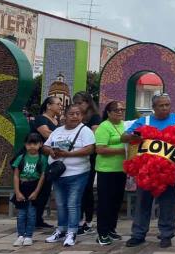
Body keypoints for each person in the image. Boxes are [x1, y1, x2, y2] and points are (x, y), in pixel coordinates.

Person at [122, 93, 175, 248]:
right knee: (142, 204)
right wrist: (134, 137)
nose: (165, 108)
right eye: (161, 105)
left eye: (167, 105)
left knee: (167, 205)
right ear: (153, 108)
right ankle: (138, 235)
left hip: (169, 172)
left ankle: (166, 235)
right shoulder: (143, 121)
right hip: (146, 172)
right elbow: (124, 137)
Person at [42, 104, 96, 247]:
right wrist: (51, 152)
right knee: (60, 204)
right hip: (58, 174)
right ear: (65, 115)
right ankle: (61, 229)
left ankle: (72, 232)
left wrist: (69, 154)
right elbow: (45, 146)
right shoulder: (58, 131)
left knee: (73, 203)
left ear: (82, 116)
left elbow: (90, 149)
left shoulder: (85, 131)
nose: (75, 116)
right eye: (71, 114)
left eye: (78, 114)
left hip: (77, 173)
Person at [93, 101, 128, 246]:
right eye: (116, 110)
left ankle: (111, 229)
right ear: (108, 112)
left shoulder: (124, 125)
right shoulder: (104, 126)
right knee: (105, 203)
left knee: (116, 202)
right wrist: (123, 150)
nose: (120, 112)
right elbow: (100, 149)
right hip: (106, 171)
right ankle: (102, 233)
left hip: (121, 170)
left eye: (121, 109)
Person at [72, 92, 101, 237]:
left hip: (89, 157)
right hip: (75, 158)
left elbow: (93, 135)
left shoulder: (94, 117)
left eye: (80, 103)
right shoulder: (76, 117)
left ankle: (88, 221)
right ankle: (76, 220)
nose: (77, 106)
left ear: (87, 103)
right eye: (75, 103)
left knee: (86, 189)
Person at [11, 133, 47, 247]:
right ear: (25, 145)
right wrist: (17, 192)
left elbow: (42, 176)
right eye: (29, 143)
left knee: (31, 214)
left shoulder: (42, 159)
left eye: (35, 143)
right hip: (22, 187)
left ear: (40, 144)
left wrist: (36, 192)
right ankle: (20, 235)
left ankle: (28, 236)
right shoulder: (21, 158)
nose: (32, 146)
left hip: (34, 187)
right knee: (21, 214)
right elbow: (16, 175)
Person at [32, 97, 62, 229]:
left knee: (45, 189)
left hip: (49, 159)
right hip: (37, 158)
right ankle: (31, 218)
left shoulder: (57, 120)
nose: (61, 106)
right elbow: (46, 134)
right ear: (49, 106)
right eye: (58, 104)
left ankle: (38, 219)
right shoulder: (40, 119)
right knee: (36, 187)